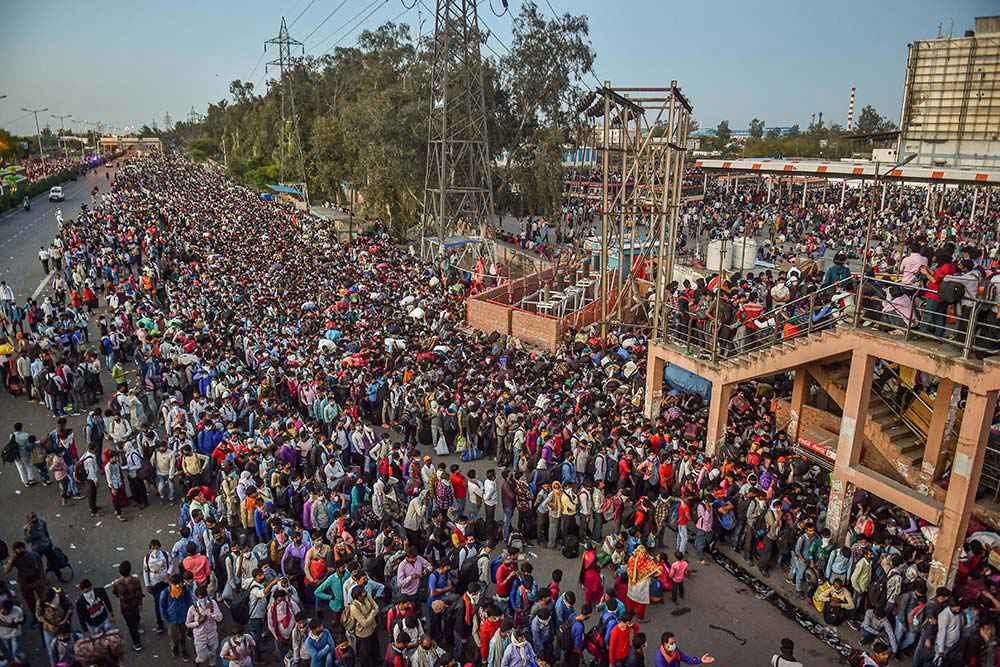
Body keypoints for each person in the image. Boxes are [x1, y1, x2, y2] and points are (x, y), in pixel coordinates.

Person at [110, 560, 145, 652]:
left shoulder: (117, 583)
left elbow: (115, 593)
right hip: (135, 604)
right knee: (136, 617)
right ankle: (138, 626)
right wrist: (140, 603)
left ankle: (137, 643)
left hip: (125, 607)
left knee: (130, 625)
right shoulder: (136, 580)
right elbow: (140, 592)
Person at [186, 585, 223, 667]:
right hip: (200, 636)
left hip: (212, 634)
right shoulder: (192, 608)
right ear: (196, 597)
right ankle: (198, 661)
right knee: (202, 656)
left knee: (213, 653)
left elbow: (220, 618)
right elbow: (187, 624)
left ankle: (212, 664)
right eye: (200, 598)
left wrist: (212, 615)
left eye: (203, 597)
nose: (202, 599)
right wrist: (198, 623)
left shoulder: (213, 603)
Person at [160, 572, 193, 660]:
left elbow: (189, 601)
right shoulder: (165, 593)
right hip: (172, 619)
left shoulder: (185, 590)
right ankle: (174, 648)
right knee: (173, 636)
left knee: (183, 635)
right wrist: (165, 618)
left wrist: (189, 614)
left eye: (179, 584)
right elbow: (162, 607)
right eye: (176, 584)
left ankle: (183, 650)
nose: (178, 586)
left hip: (183, 617)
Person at [0, 598, 25, 665]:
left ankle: (20, 663)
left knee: (16, 652)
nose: (4, 612)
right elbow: (13, 624)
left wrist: (2, 623)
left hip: (15, 634)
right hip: (3, 635)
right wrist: (10, 624)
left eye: (6, 611)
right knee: (8, 652)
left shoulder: (17, 611)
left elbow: (15, 625)